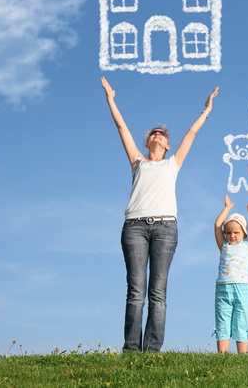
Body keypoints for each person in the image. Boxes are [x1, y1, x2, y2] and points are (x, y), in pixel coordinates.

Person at [101, 76, 219, 352]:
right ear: (147, 143)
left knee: (158, 293)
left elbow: (191, 134)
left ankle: (152, 350)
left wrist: (207, 110)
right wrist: (110, 99)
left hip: (165, 228)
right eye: (154, 133)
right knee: (135, 292)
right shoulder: (137, 161)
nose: (158, 134)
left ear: (167, 145)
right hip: (134, 227)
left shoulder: (172, 163)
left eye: (163, 134)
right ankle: (131, 349)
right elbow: (121, 127)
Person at [213, 195, 248, 354]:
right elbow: (217, 225)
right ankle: (222, 354)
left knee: (241, 321)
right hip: (223, 289)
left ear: (244, 233)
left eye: (236, 232)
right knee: (223, 321)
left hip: (243, 289)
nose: (232, 235)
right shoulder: (224, 246)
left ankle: (243, 354)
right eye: (228, 232)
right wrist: (227, 208)